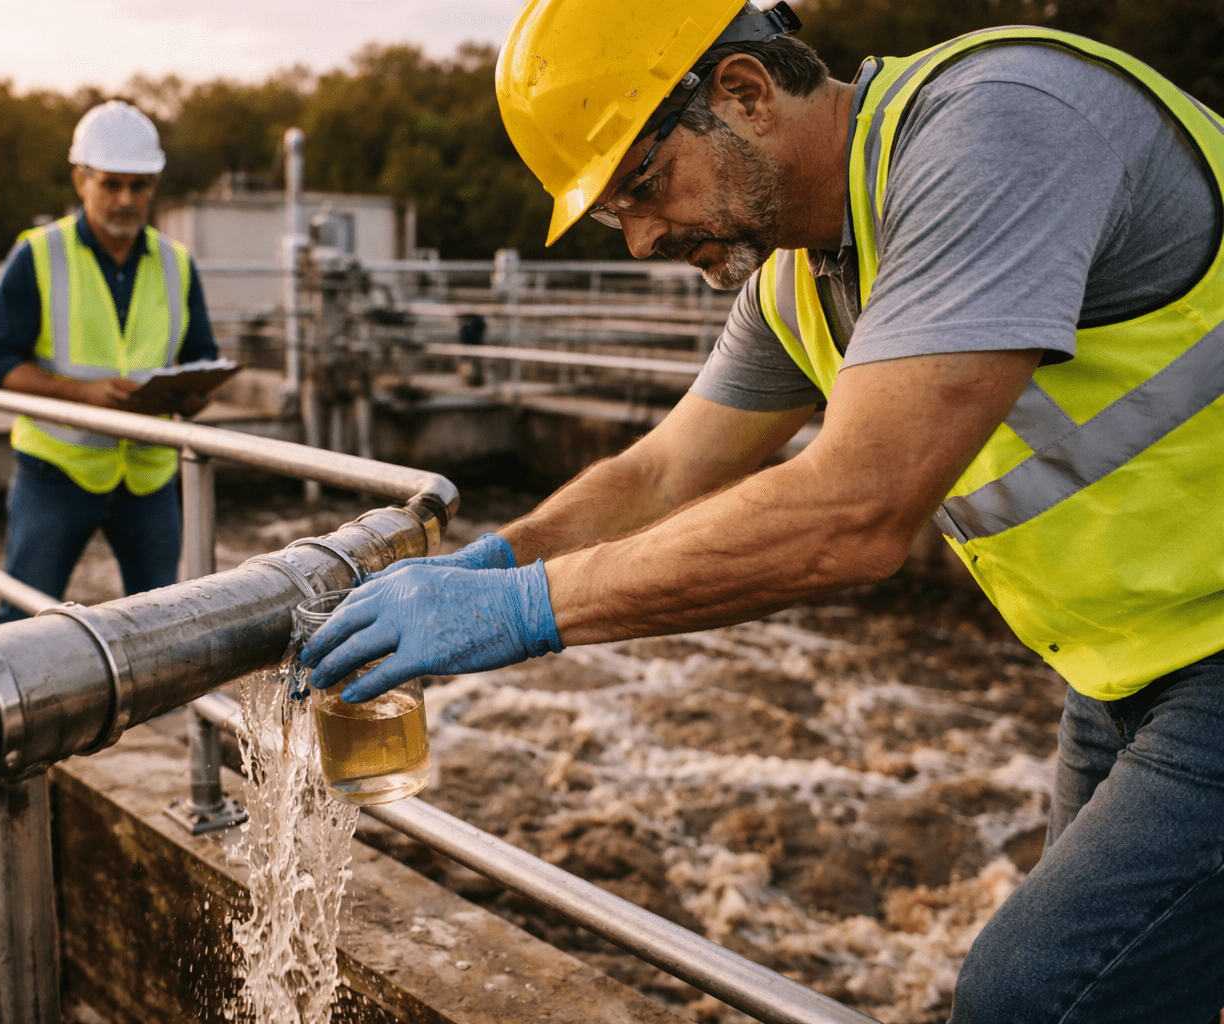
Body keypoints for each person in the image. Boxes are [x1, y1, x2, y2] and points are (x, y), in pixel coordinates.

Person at [301, 1, 1224, 1020]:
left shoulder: (1000, 132)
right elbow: (658, 474)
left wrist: (520, 609)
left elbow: (855, 509)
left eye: (641, 186)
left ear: (742, 93)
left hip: (1209, 653)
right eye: (614, 214)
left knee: (1036, 994)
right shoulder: (804, 279)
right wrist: (487, 560)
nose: (644, 240)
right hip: (1130, 663)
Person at [0, 100, 219, 623]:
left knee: (161, 625)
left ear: (155, 186)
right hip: (57, 470)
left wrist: (196, 394)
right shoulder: (38, 254)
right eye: (111, 184)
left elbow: (201, 355)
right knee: (20, 623)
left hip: (149, 475)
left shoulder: (177, 264)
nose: (126, 199)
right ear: (80, 179)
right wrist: (83, 395)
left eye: (140, 185)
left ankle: (154, 709)